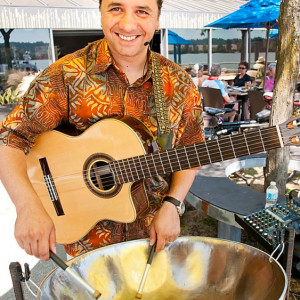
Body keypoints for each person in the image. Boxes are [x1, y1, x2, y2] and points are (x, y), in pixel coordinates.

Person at [0, 0, 204, 261]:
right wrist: (27, 207)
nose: (128, 23)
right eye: (116, 8)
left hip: (155, 240)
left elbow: (192, 149)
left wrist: (173, 204)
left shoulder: (179, 84)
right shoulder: (65, 75)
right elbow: (10, 139)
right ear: (101, 14)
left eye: (142, 11)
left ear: (157, 20)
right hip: (87, 249)